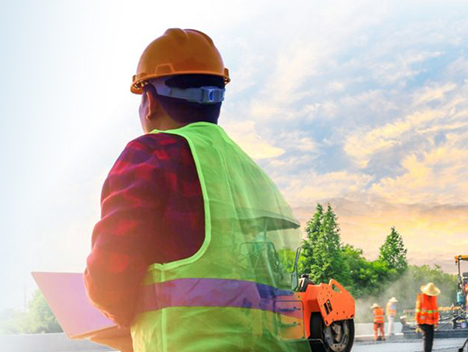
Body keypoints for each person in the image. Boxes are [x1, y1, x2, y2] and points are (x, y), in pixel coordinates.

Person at [83, 29, 306, 352]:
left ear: (149, 102)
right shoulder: (249, 171)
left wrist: (118, 316)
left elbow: (110, 276)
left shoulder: (151, 154)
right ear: (217, 101)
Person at [416, 283, 440, 352]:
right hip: (423, 322)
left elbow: (435, 311)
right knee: (426, 339)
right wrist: (417, 323)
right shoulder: (421, 297)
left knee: (430, 339)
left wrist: (436, 323)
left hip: (431, 322)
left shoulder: (434, 298)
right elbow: (418, 310)